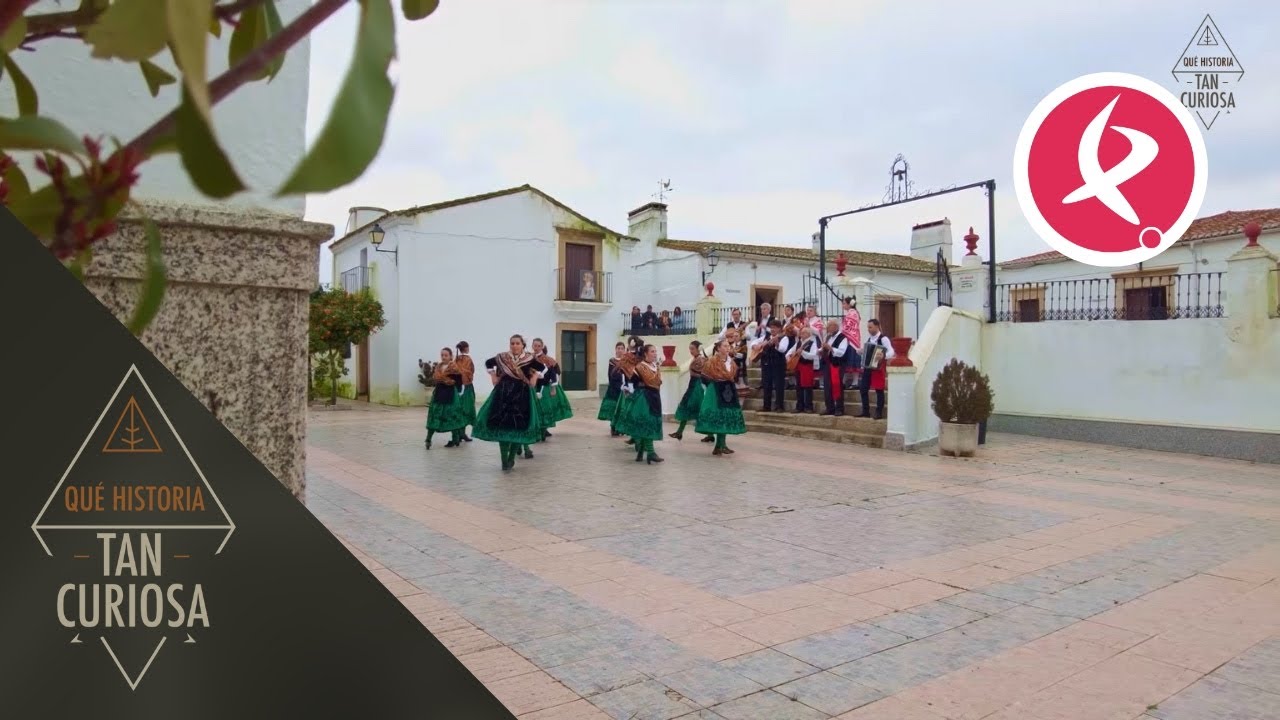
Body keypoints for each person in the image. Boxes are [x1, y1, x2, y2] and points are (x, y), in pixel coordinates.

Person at [472, 335, 545, 471]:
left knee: (518, 427)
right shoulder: (502, 357)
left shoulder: (529, 358)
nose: (514, 346)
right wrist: (493, 376)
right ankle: (504, 460)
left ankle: (511, 457)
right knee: (502, 425)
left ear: (523, 345)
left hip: (522, 394)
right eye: (512, 343)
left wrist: (534, 377)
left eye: (517, 343)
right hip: (503, 393)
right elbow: (488, 363)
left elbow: (542, 367)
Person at [695, 340, 746, 456]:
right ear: (718, 348)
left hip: (728, 389)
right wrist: (711, 388)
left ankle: (720, 445)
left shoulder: (731, 361)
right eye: (725, 346)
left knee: (726, 415)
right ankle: (720, 445)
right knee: (719, 415)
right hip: (716, 389)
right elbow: (704, 377)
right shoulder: (712, 361)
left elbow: (734, 375)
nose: (728, 348)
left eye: (728, 346)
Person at [615, 344, 664, 463]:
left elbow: (658, 382)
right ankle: (651, 453)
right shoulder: (640, 367)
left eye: (655, 351)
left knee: (648, 423)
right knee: (647, 423)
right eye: (652, 351)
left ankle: (641, 452)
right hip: (643, 399)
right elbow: (632, 382)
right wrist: (629, 392)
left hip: (655, 397)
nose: (655, 354)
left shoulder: (655, 366)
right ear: (646, 354)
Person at [425, 348, 470, 449]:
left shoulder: (455, 368)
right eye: (442, 355)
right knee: (435, 414)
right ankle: (428, 439)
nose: (443, 357)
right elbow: (436, 379)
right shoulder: (438, 367)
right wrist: (443, 381)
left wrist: (458, 391)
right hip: (439, 393)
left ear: (450, 356)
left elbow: (459, 382)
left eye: (446, 355)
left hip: (451, 394)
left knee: (452, 415)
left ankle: (455, 438)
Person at [532, 338, 573, 442]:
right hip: (532, 387)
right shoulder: (529, 358)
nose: (536, 348)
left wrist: (553, 386)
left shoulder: (548, 360)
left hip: (544, 388)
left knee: (544, 409)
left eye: (538, 346)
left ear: (542, 347)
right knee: (535, 409)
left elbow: (556, 372)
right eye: (534, 345)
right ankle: (539, 430)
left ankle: (543, 430)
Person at [670, 341, 712, 442]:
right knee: (689, 407)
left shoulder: (700, 360)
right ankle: (680, 432)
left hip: (697, 387)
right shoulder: (699, 359)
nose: (691, 351)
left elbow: (702, 373)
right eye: (690, 349)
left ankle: (710, 433)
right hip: (693, 385)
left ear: (699, 348)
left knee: (693, 407)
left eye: (692, 348)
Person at [857, 318, 895, 419]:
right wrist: (862, 351)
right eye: (868, 327)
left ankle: (879, 412)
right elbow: (867, 352)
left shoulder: (883, 339)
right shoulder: (869, 339)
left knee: (879, 390)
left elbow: (891, 351)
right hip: (868, 367)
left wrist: (884, 356)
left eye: (870, 327)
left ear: (877, 326)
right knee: (863, 389)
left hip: (878, 368)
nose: (868, 329)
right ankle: (865, 411)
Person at [752, 319, 790, 412]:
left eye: (775, 328)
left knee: (779, 385)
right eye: (771, 327)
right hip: (766, 363)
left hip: (778, 364)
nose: (773, 329)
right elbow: (754, 342)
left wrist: (776, 342)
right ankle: (766, 406)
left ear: (780, 329)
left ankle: (779, 406)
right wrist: (756, 346)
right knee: (766, 385)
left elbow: (782, 349)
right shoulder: (766, 337)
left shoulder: (784, 338)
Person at [820, 319, 852, 416]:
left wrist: (830, 348)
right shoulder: (829, 336)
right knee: (827, 386)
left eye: (829, 326)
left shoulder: (843, 338)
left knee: (836, 385)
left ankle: (839, 408)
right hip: (827, 363)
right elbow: (824, 348)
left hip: (837, 364)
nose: (827, 328)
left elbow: (841, 352)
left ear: (835, 327)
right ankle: (829, 407)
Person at [598, 341, 626, 437]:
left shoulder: (627, 361)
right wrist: (616, 385)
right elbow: (611, 375)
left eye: (622, 348)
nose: (620, 350)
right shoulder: (612, 361)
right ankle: (613, 427)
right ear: (615, 350)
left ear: (624, 350)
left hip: (625, 388)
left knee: (622, 409)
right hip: (614, 388)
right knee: (613, 408)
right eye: (618, 348)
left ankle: (620, 428)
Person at [794, 327, 820, 414]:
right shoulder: (799, 342)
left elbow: (813, 355)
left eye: (804, 332)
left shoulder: (812, 343)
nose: (802, 334)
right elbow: (791, 351)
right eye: (801, 332)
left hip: (807, 366)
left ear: (809, 334)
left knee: (808, 387)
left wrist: (802, 352)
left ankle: (809, 407)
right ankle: (799, 406)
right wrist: (789, 356)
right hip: (799, 366)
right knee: (799, 387)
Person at [454, 340, 476, 442]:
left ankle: (459, 433)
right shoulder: (468, 359)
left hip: (457, 387)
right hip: (466, 388)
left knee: (459, 410)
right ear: (466, 348)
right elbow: (471, 371)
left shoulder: (456, 359)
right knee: (466, 409)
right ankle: (461, 433)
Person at [840, 297, 862, 389]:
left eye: (844, 303)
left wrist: (841, 330)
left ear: (849, 304)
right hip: (849, 339)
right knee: (847, 361)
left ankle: (855, 382)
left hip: (852, 339)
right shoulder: (851, 313)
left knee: (853, 361)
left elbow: (848, 327)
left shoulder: (852, 313)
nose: (843, 305)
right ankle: (844, 381)